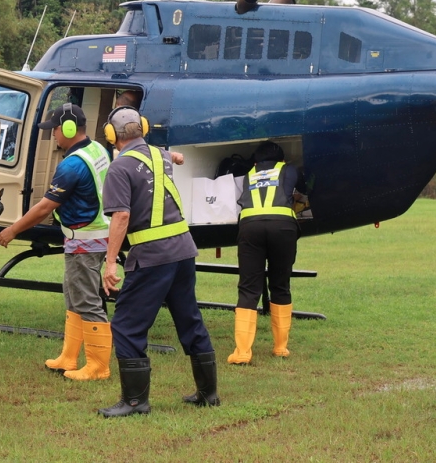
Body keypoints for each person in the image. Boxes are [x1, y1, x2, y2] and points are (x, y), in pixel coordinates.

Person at [98, 106, 219, 417]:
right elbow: (174, 157)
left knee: (126, 324)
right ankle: (209, 394)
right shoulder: (161, 156)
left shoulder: (119, 169)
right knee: (189, 319)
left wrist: (110, 263)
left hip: (152, 256)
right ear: (144, 128)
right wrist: (176, 158)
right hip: (182, 251)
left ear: (111, 136)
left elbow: (121, 216)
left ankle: (135, 402)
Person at [0, 103, 113, 381]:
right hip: (89, 239)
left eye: (55, 130)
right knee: (74, 298)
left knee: (86, 301)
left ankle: (98, 366)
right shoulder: (97, 150)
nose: (53, 136)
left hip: (85, 241)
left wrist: (12, 230)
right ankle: (69, 357)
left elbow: (44, 208)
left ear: (68, 128)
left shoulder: (71, 165)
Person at [227, 140, 306, 365]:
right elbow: (305, 190)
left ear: (256, 161)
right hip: (283, 227)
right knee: (280, 284)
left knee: (248, 287)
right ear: (281, 160)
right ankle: (280, 347)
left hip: (250, 227)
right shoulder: (288, 169)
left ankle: (242, 352)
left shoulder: (247, 173)